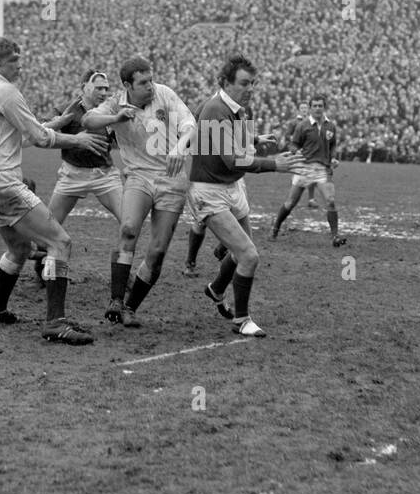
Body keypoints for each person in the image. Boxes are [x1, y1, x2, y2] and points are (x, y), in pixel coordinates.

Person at [0, 37, 109, 345]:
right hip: (4, 184)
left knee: (19, 249)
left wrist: (54, 124)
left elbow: (20, 137)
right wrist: (77, 140)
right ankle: (55, 324)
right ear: (2, 62)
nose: (20, 64)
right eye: (16, 59)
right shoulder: (6, 90)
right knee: (60, 241)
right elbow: (41, 139)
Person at [187, 54, 301, 337]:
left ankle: (215, 290)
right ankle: (242, 320)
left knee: (241, 254)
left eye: (253, 83)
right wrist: (275, 164)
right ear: (225, 83)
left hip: (232, 188)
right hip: (210, 191)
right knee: (249, 255)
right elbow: (231, 159)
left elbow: (236, 140)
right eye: (244, 83)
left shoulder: (238, 108)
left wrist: (255, 139)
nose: (250, 89)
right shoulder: (214, 108)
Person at [84, 56, 194, 328]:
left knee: (157, 252)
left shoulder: (165, 94)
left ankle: (131, 308)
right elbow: (88, 120)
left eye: (151, 79)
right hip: (139, 176)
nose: (150, 86)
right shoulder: (115, 103)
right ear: (127, 85)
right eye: (143, 83)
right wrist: (116, 117)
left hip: (171, 179)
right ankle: (116, 301)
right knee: (129, 228)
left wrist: (181, 146)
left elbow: (190, 124)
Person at [34, 70, 123, 277]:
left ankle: (121, 272)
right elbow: (39, 135)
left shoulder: (110, 108)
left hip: (105, 175)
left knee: (128, 222)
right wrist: (59, 127)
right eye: (98, 87)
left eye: (106, 88)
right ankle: (41, 266)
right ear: (83, 86)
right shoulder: (67, 110)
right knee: (48, 227)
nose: (104, 92)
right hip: (72, 174)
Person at [270, 94, 346, 246]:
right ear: (310, 108)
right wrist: (295, 151)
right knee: (290, 203)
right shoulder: (302, 125)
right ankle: (275, 227)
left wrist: (333, 158)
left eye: (320, 106)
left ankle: (335, 236)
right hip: (303, 168)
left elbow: (332, 146)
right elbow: (293, 145)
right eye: (315, 106)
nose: (318, 108)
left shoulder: (330, 126)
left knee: (330, 200)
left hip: (321, 170)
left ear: (324, 107)